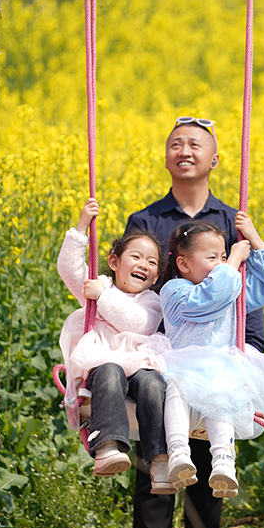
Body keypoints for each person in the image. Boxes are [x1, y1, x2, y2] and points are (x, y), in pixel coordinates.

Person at [125, 116, 264, 528]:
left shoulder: (232, 221)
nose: (184, 151)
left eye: (194, 144)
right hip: (159, 355)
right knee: (159, 464)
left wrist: (252, 347)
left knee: (209, 470)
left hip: (218, 353)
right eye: (175, 144)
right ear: (166, 155)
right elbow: (131, 286)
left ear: (215, 158)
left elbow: (249, 293)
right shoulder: (146, 219)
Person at [57, 197, 173, 494]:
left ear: (157, 276)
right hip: (104, 362)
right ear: (113, 262)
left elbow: (137, 323)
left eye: (151, 263)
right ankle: (107, 446)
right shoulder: (99, 286)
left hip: (140, 362)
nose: (143, 265)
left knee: (152, 384)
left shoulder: (152, 301)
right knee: (108, 372)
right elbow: (69, 269)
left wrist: (102, 297)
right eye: (135, 257)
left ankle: (160, 459)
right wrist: (82, 225)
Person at [160, 219, 264, 499]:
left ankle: (224, 461)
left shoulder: (231, 291)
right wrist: (236, 259)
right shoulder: (175, 292)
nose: (222, 263)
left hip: (217, 370)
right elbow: (211, 297)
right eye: (212, 257)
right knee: (174, 388)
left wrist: (254, 238)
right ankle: (178, 452)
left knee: (223, 394)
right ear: (184, 264)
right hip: (183, 367)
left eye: (223, 256)